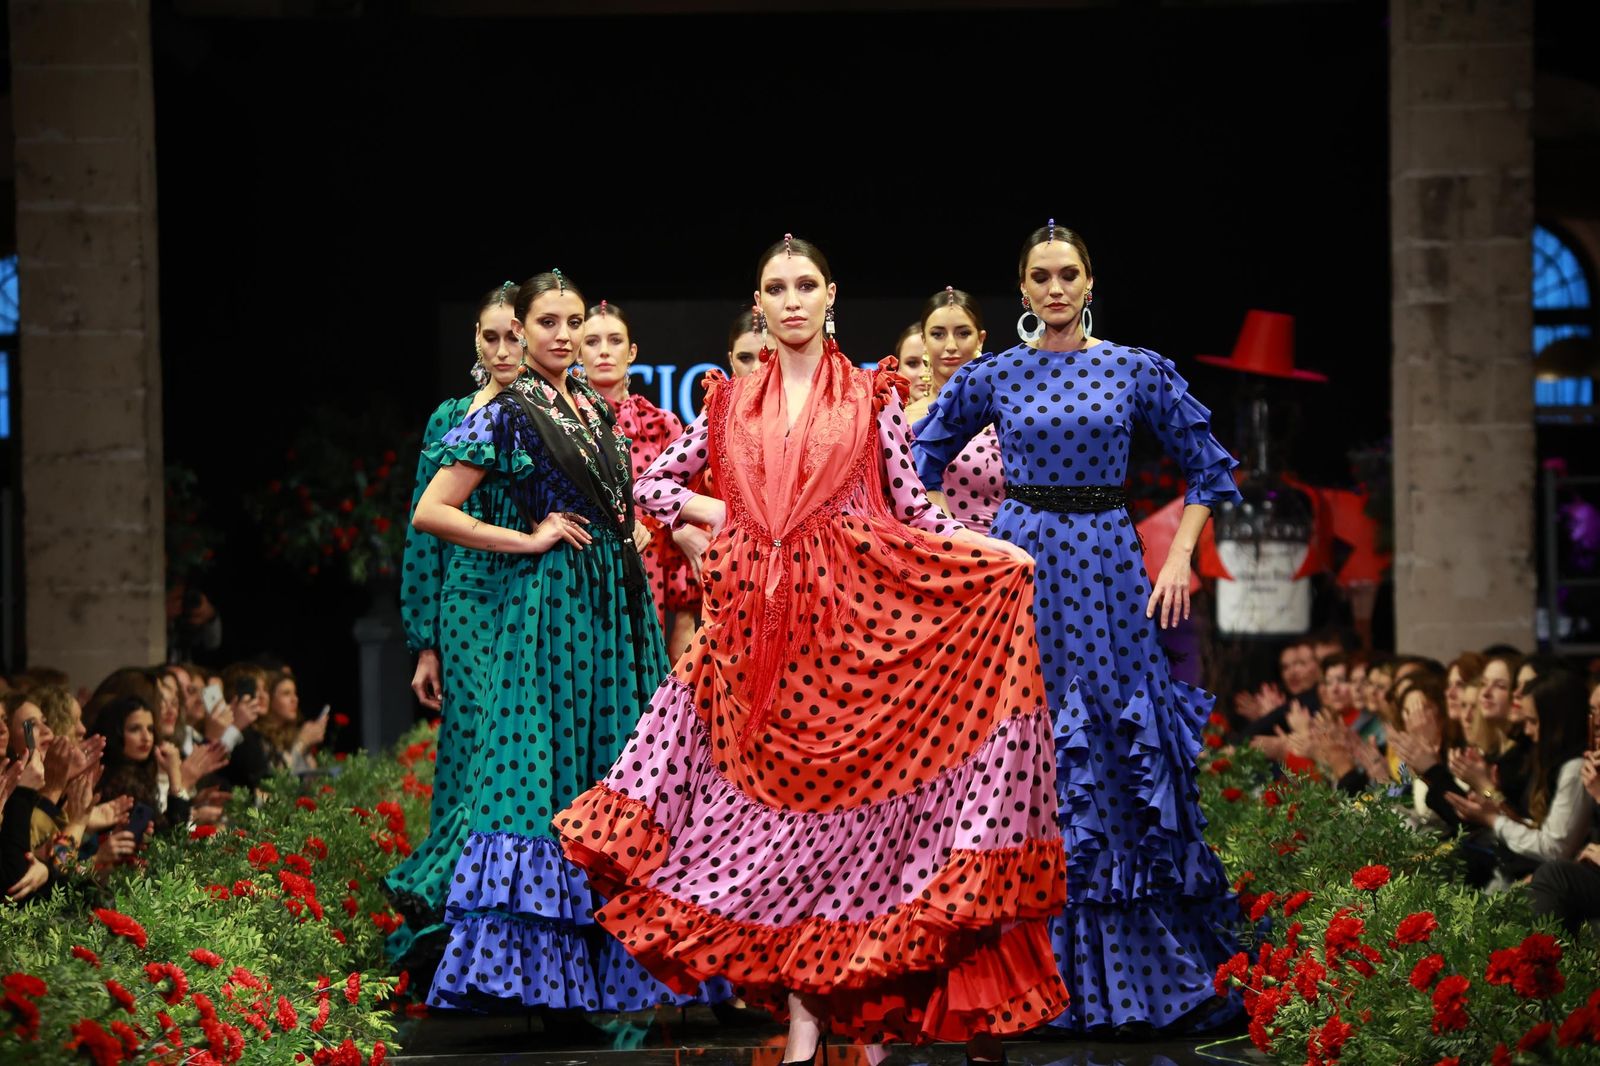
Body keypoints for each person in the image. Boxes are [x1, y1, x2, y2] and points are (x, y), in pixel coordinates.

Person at [558, 236, 1065, 1064]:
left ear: (832, 294)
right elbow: (646, 484)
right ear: (759, 303)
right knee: (775, 829)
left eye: (805, 285)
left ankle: (839, 1015)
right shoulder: (728, 404)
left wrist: (988, 552)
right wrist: (732, 523)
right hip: (758, 640)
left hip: (852, 633)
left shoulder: (870, 395)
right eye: (775, 288)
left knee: (846, 829)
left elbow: (913, 508)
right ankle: (805, 1017)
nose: (791, 300)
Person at [911, 221, 1243, 1034]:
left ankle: (1139, 975)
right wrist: (959, 541)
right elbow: (914, 460)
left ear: (1089, 282)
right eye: (1038, 276)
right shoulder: (995, 375)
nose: (1054, 289)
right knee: (1033, 754)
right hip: (1022, 574)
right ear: (1021, 289)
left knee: (1118, 753)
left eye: (1067, 274)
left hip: (1107, 562)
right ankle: (1032, 976)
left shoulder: (1135, 368)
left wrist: (1178, 559)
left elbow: (1209, 466)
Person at [412, 269, 701, 1018]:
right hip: (557, 606)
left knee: (615, 768)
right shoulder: (509, 410)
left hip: (617, 605)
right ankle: (540, 979)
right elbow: (433, 511)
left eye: (572, 321)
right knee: (548, 774)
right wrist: (525, 538)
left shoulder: (591, 409)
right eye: (548, 322)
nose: (563, 334)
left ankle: (615, 975)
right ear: (523, 328)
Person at [385, 282, 527, 968]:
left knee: (520, 748)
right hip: (468, 597)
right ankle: (454, 914)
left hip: (533, 592)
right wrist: (424, 642)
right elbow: (424, 531)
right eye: (489, 336)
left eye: (512, 336)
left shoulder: (543, 412)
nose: (501, 349)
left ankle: (499, 914)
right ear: (474, 338)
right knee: (477, 747)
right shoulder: (451, 416)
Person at [579, 300, 699, 658]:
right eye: (592, 341)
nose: (604, 351)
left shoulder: (662, 424)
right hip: (581, 575)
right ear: (576, 350)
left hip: (651, 580)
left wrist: (685, 615)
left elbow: (684, 524)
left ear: (631, 351)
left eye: (615, 341)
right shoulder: (559, 425)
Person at [905, 288, 1005, 535]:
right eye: (938, 334)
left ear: (980, 339)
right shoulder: (904, 418)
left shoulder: (1003, 417)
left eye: (963, 333)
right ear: (924, 340)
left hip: (997, 553)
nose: (951, 345)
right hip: (925, 555)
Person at [892, 322, 930, 404]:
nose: (924, 374)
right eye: (912, 363)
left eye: (931, 363)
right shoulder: (879, 415)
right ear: (898, 370)